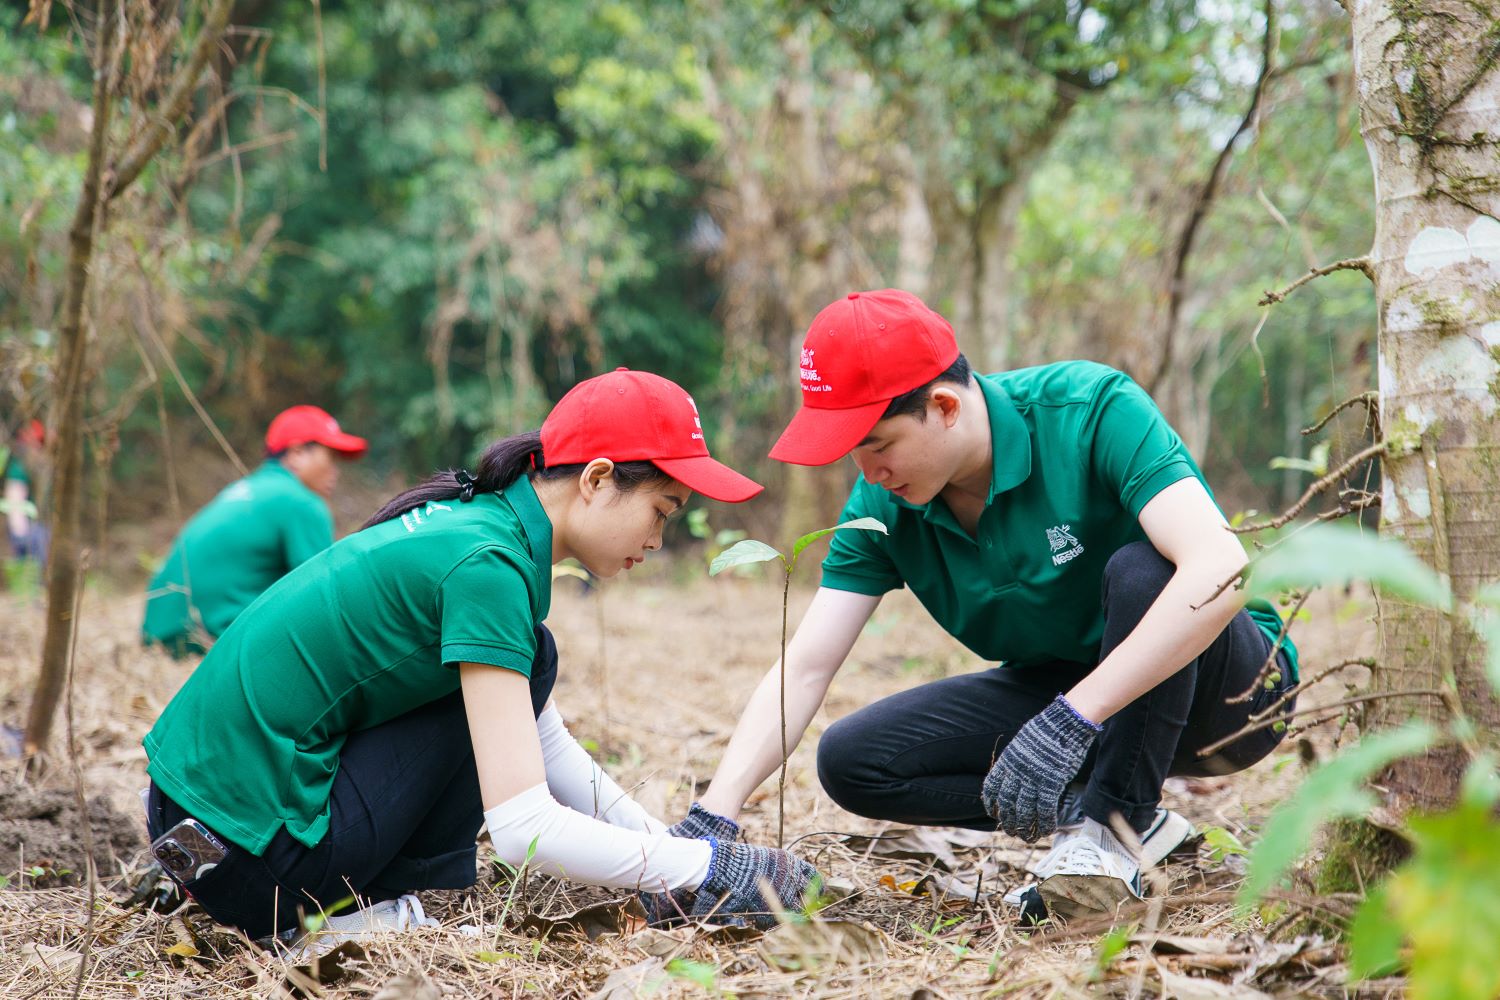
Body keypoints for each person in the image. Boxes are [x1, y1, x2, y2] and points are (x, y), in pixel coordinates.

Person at [141, 368, 819, 949]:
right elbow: (525, 830)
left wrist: (677, 857)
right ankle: (342, 922)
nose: (657, 539)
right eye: (661, 511)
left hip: (201, 829)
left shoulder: (481, 525)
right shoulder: (487, 565)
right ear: (598, 478)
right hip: (250, 861)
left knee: (532, 658)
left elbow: (539, 740)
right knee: (527, 661)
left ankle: (344, 903)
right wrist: (704, 867)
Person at [687, 290, 1298, 922]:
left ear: (945, 406)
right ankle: (1118, 814)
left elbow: (1221, 568)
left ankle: (1111, 832)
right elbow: (807, 664)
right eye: (853, 456)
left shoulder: (1089, 410)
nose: (868, 474)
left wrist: (1073, 719)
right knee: (854, 761)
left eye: (878, 446)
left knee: (1146, 568)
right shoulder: (883, 510)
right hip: (1073, 693)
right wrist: (716, 816)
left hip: (1229, 698)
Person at [141, 405, 367, 656]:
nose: (336, 471)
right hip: (210, 641)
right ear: (297, 453)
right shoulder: (302, 501)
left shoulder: (245, 490)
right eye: (331, 457)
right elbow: (323, 598)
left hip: (159, 638)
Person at [2, 419, 48, 578]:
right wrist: (21, 533)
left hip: (37, 528)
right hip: (27, 531)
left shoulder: (34, 467)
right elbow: (15, 502)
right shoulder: (19, 468)